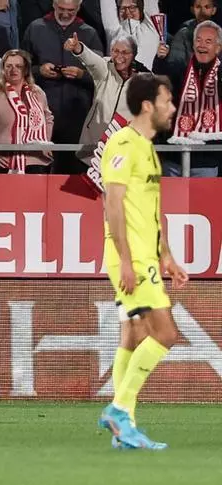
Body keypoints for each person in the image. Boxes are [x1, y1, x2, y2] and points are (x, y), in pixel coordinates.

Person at [97, 72, 188, 450]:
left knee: (133, 336)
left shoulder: (146, 147)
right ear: (148, 105)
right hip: (130, 257)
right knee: (165, 334)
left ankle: (125, 429)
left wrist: (166, 254)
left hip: (145, 255)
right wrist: (128, 261)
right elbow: (113, 203)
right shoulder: (122, 142)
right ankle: (119, 411)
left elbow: (149, 208)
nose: (172, 107)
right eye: (167, 100)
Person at [21, 0, 102, 174]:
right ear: (53, 4)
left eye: (71, 10)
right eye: (61, 9)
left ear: (79, 7)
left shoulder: (89, 34)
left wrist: (81, 74)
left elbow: (102, 75)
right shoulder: (35, 29)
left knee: (71, 173)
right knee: (38, 169)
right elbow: (20, 69)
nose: (65, 14)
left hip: (77, 116)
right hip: (39, 115)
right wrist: (39, 70)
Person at [65, 33, 148, 167]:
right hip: (92, 149)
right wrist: (78, 48)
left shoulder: (143, 80)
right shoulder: (105, 69)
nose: (119, 56)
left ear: (133, 55)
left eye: (125, 52)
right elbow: (92, 61)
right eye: (115, 51)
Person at [0, 49, 54, 172]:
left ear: (26, 69)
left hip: (35, 162)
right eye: (9, 66)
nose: (14, 70)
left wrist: (44, 143)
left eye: (19, 66)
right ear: (3, 69)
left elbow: (48, 119)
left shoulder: (37, 93)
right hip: (2, 163)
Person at [154, 20, 222, 177]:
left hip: (207, 160)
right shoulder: (181, 71)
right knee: (172, 202)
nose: (202, 45)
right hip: (174, 159)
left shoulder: (220, 74)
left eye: (208, 41)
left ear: (218, 48)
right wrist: (161, 59)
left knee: (203, 202)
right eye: (198, 40)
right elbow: (162, 76)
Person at [99, 0, 160, 70]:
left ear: (141, 9)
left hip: (144, 79)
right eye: (122, 8)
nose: (127, 12)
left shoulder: (151, 29)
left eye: (132, 7)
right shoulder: (114, 31)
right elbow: (107, 5)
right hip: (116, 79)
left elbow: (151, 3)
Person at [167, 0, 217, 69]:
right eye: (198, 7)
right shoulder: (182, 34)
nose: (202, 11)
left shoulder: (219, 35)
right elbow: (175, 66)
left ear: (214, 10)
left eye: (207, 7)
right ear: (192, 10)